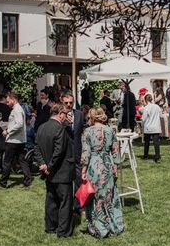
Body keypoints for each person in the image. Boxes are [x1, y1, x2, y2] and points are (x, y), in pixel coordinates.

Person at [81, 107, 125, 238]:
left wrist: (83, 170)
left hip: (94, 166)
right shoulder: (110, 130)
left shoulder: (87, 131)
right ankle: (112, 225)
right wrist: (115, 167)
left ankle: (99, 227)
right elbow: (116, 150)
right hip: (107, 165)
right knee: (108, 195)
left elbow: (86, 153)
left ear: (92, 117)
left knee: (95, 196)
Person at [34, 104, 74, 238]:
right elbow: (59, 151)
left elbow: (37, 148)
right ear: (60, 114)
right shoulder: (59, 129)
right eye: (65, 114)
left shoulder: (41, 127)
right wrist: (48, 166)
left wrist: (43, 164)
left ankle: (50, 227)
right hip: (61, 171)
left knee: (51, 200)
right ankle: (63, 231)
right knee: (65, 201)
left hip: (49, 172)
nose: (66, 117)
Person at [0, 92, 32, 189]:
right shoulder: (18, 109)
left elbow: (19, 124)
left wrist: (8, 131)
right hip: (19, 140)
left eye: (8, 101)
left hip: (13, 140)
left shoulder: (17, 110)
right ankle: (28, 181)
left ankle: (3, 183)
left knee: (7, 161)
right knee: (22, 160)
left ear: (13, 99)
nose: (7, 103)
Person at [61, 92, 86, 207]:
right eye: (66, 102)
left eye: (71, 102)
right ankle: (66, 205)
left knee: (79, 180)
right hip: (64, 153)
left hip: (77, 151)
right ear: (62, 102)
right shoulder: (59, 115)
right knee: (65, 182)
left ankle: (77, 206)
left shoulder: (80, 114)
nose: (69, 104)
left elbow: (83, 129)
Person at [141, 93, 161, 162]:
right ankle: (157, 156)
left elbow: (143, 119)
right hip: (156, 127)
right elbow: (160, 114)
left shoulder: (146, 108)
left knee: (147, 143)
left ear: (146, 100)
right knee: (156, 143)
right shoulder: (157, 106)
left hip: (148, 127)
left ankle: (145, 155)